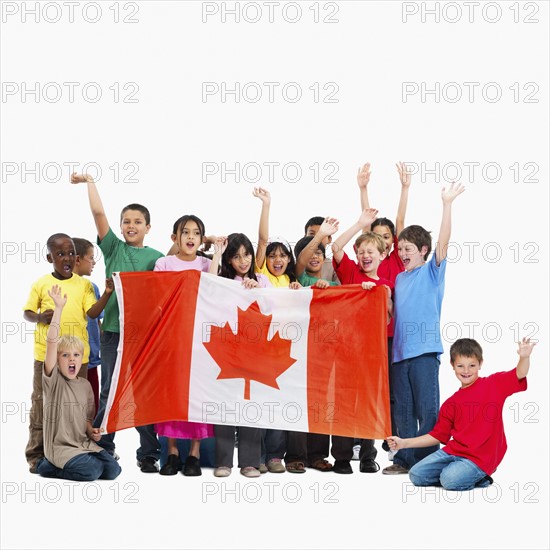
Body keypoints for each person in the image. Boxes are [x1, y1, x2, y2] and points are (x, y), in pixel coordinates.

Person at [71, 172, 164, 473]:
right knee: (110, 390)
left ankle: (149, 451)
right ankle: (103, 445)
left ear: (148, 227)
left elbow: (181, 268)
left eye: (138, 222)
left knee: (143, 393)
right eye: (126, 221)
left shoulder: (157, 257)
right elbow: (99, 213)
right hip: (112, 334)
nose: (131, 226)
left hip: (144, 337)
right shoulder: (113, 249)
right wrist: (89, 182)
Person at [383, 182, 465, 475]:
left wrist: (447, 204)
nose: (403, 252)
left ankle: (427, 463)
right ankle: (403, 460)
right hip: (399, 354)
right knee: (403, 410)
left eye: (408, 248)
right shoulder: (400, 279)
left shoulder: (432, 271)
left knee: (427, 411)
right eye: (400, 248)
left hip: (425, 353)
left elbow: (444, 241)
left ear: (423, 251)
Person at [387, 338, 535, 490]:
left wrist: (524, 357)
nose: (466, 371)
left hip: (481, 457)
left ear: (480, 363)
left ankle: (479, 476)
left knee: (449, 480)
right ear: (452, 365)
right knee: (416, 475)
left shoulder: (493, 384)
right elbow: (437, 435)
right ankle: (460, 473)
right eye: (460, 366)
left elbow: (520, 373)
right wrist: (404, 443)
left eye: (472, 365)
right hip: (454, 452)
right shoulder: (451, 403)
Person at [23, 233, 110, 473]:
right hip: (46, 355)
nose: (67, 258)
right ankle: (36, 454)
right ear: (49, 257)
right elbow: (27, 312)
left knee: (77, 406)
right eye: (60, 254)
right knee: (42, 403)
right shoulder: (41, 283)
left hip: (77, 357)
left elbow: (92, 313)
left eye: (71, 253)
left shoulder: (83, 285)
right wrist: (39, 317)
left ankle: (76, 447)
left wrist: (107, 293)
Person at [154, 215, 220, 477]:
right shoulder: (164, 263)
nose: (190, 237)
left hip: (202, 337)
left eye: (196, 233)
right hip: (172, 337)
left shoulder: (207, 263)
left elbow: (214, 291)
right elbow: (158, 295)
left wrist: (214, 245)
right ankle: (171, 450)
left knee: (199, 393)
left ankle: (194, 452)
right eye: (185, 232)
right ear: (175, 238)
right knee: (172, 391)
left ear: (201, 239)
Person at [329, 209, 394, 474]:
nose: (366, 257)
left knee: (369, 402)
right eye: (362, 252)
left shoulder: (387, 283)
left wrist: (383, 296)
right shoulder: (352, 274)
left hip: (372, 354)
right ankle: (342, 457)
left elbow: (389, 317)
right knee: (344, 403)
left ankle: (368, 455)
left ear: (382, 255)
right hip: (346, 351)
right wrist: (359, 224)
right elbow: (335, 246)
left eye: (371, 252)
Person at [36, 284, 121, 481]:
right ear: (58, 360)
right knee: (91, 472)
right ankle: (47, 465)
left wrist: (92, 432)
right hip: (61, 448)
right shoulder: (53, 380)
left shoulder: (84, 385)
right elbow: (51, 342)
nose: (71, 359)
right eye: (65, 355)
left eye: (76, 355)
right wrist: (58, 309)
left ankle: (86, 461)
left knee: (113, 470)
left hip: (83, 444)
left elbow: (86, 421)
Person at [253, 186, 301, 473]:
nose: (277, 259)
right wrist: (266, 205)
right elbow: (260, 240)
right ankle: (257, 455)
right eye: (273, 255)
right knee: (260, 402)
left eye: (283, 255)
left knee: (281, 403)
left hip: (285, 351)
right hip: (260, 349)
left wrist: (298, 291)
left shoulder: (292, 282)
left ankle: (275, 455)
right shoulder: (260, 276)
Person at [213, 232, 267, 478]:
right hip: (227, 351)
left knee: (250, 406)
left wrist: (258, 292)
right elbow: (207, 287)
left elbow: (276, 310)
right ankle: (224, 461)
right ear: (229, 260)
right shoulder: (223, 281)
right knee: (224, 405)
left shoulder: (262, 281)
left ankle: (249, 462)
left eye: (247, 254)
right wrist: (217, 250)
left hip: (255, 354)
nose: (243, 261)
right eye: (236, 257)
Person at [357, 161, 412, 285]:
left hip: (391, 304)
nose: (382, 241)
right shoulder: (365, 259)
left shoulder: (396, 258)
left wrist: (405, 188)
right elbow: (366, 223)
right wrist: (363, 189)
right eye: (377, 237)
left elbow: (400, 219)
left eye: (386, 237)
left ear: (394, 239)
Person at [72, 237, 106, 412]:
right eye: (91, 258)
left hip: (91, 359)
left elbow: (98, 322)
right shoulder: (59, 287)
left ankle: (89, 438)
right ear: (78, 259)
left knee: (91, 405)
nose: (93, 263)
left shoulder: (92, 287)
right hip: (70, 358)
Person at [303, 216, 340, 284]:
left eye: (322, 234)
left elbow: (339, 290)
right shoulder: (301, 262)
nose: (316, 238)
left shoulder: (333, 266)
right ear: (305, 237)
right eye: (312, 234)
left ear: (329, 239)